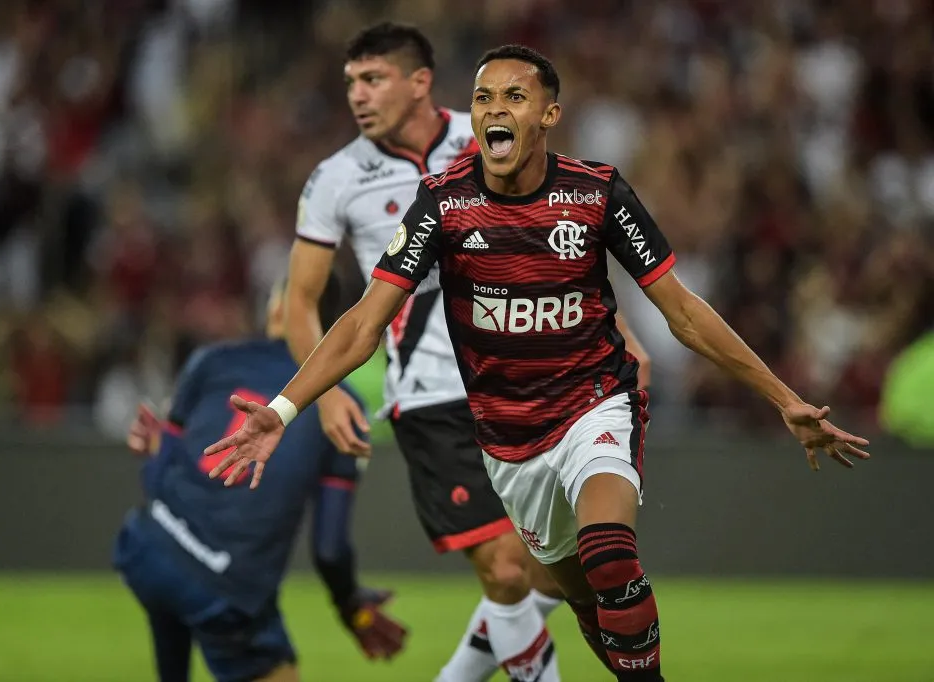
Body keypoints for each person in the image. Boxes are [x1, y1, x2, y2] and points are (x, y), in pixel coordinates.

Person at [204, 44, 870, 682]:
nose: (496, 108)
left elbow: (684, 313)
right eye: (483, 97)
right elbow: (362, 324)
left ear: (548, 114)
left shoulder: (597, 193)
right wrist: (283, 410)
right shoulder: (443, 203)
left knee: (610, 555)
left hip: (594, 405)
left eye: (515, 97)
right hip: (508, 443)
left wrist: (784, 398)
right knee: (583, 599)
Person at [285, 22, 647, 681]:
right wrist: (328, 395)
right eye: (351, 83)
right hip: (430, 395)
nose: (357, 95)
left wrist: (619, 334)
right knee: (506, 569)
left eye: (373, 79)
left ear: (420, 82)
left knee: (549, 569)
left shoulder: (488, 133)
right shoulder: (335, 178)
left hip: (531, 380)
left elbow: (560, 242)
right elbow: (299, 302)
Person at [112, 276, 408, 682]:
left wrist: (157, 450)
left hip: (147, 547)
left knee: (174, 594)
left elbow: (159, 472)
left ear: (277, 307)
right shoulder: (342, 407)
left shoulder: (211, 360)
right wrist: (350, 604)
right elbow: (329, 548)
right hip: (226, 583)